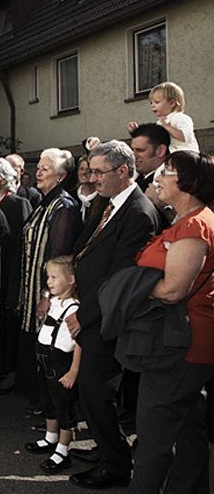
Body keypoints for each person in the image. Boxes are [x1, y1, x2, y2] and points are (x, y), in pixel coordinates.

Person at [65, 140, 160, 489]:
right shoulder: (109, 204)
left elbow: (120, 277)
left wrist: (82, 315)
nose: (92, 178)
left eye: (99, 172)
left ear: (123, 171)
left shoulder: (137, 212)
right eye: (90, 171)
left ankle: (115, 465)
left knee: (95, 390)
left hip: (106, 319)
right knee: (91, 392)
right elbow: (87, 249)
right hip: (92, 310)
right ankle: (109, 448)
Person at [126, 151, 214, 493]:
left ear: (189, 183)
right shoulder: (190, 219)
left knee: (154, 436)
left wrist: (132, 288)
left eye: (168, 171)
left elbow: (174, 289)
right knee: (188, 430)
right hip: (186, 341)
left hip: (180, 344)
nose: (157, 177)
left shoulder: (195, 225)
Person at [17, 149, 81, 403]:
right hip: (33, 288)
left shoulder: (62, 207)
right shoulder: (43, 203)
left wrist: (47, 296)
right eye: (39, 167)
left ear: (62, 176)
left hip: (50, 293)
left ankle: (54, 414)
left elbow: (59, 254)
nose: (38, 173)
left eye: (46, 169)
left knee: (50, 348)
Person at [25, 256, 81, 473]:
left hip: (60, 364)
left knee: (63, 406)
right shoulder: (55, 301)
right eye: (48, 276)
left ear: (71, 280)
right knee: (47, 401)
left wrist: (73, 371)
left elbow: (79, 344)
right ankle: (50, 437)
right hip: (44, 360)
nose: (49, 281)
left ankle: (63, 450)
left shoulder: (74, 307)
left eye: (54, 277)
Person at [0, 157, 33, 395]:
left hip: (11, 273)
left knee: (9, 326)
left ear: (4, 179)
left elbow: (21, 245)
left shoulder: (17, 203)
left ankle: (11, 373)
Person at [128, 81, 198, 153]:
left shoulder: (180, 118)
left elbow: (187, 137)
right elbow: (153, 140)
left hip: (187, 156)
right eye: (151, 103)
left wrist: (168, 127)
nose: (153, 105)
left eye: (157, 102)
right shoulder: (160, 122)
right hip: (171, 156)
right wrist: (137, 132)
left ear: (172, 103)